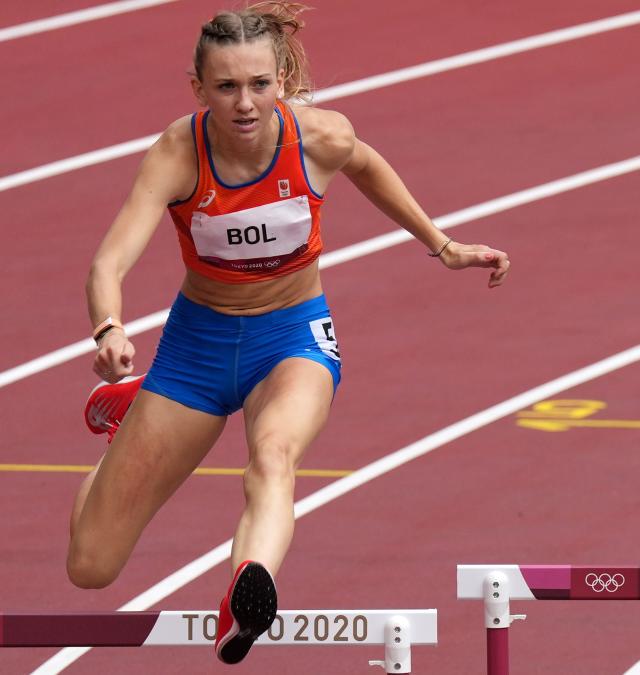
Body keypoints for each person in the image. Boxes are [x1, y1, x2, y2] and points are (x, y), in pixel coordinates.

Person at [69, 2, 510, 664]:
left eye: (258, 85)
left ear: (280, 79)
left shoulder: (320, 137)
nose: (244, 104)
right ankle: (130, 414)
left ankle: (249, 589)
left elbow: (367, 166)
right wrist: (108, 324)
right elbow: (109, 259)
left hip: (293, 339)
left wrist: (441, 244)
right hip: (196, 350)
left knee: (274, 455)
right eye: (226, 88)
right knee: (91, 564)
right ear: (198, 89)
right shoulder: (177, 152)